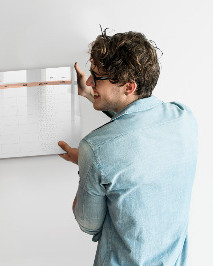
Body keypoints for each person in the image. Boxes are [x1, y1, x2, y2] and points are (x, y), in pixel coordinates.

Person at [58, 30, 198, 265]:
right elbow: (138, 123)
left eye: (97, 77)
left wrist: (86, 163)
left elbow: (88, 224)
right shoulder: (184, 118)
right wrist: (91, 94)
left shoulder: (95, 149)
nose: (90, 81)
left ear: (129, 87)